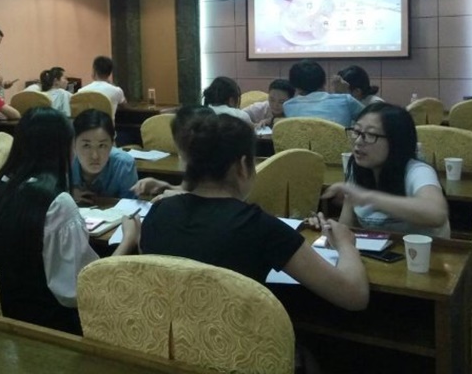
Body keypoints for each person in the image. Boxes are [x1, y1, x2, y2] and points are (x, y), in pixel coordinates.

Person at [139, 107, 368, 313]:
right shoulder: (258, 226)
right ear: (242, 165)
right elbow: (353, 295)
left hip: (167, 340)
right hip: (237, 344)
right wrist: (346, 245)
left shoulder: (159, 212)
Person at [0, 107, 140, 334]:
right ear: (64, 148)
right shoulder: (57, 204)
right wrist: (128, 240)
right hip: (47, 326)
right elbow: (83, 288)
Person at [320, 102, 450, 238]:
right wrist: (328, 230)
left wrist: (368, 198)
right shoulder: (358, 169)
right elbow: (345, 230)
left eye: (370, 134)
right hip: (376, 250)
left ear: (396, 141)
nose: (358, 141)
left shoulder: (418, 171)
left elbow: (436, 214)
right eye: (357, 132)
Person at [71, 109, 138, 205]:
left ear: (112, 143)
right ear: (73, 144)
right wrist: (66, 194)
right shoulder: (64, 162)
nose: (95, 156)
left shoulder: (123, 164)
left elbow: (130, 207)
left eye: (102, 146)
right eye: (86, 146)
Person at [283, 59, 364, 127]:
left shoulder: (288, 106)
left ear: (295, 86)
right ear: (324, 82)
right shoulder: (346, 100)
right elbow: (369, 117)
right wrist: (344, 93)